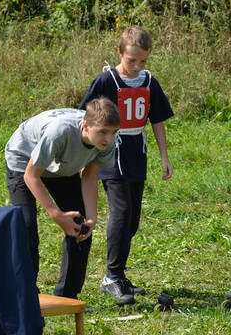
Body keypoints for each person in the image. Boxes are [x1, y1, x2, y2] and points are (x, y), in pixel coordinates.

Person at [80, 27, 174, 306]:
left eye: (143, 61)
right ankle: (113, 276)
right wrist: (83, 156)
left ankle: (117, 273)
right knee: (121, 212)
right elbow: (85, 118)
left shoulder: (149, 81)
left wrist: (164, 156)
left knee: (132, 218)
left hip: (137, 153)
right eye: (132, 60)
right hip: (110, 151)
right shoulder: (106, 80)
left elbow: (157, 119)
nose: (136, 66)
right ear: (120, 53)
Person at [5, 97, 120, 299]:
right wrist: (55, 214)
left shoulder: (108, 140)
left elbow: (89, 176)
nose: (108, 138)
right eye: (103, 132)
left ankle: (67, 297)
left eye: (113, 132)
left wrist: (91, 218)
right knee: (26, 227)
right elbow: (31, 176)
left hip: (62, 167)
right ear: (86, 126)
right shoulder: (59, 132)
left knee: (81, 227)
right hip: (24, 161)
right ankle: (27, 297)